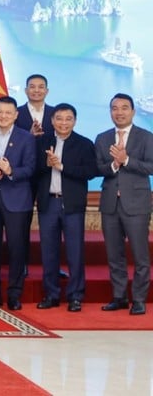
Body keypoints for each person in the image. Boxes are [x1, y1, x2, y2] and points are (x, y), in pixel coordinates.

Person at [34, 103, 99, 312]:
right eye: (59, 118)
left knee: (75, 252)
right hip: (48, 202)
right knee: (49, 251)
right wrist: (47, 163)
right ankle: (51, 294)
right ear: (52, 120)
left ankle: (75, 295)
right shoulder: (41, 141)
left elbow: (90, 171)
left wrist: (61, 166)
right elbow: (32, 169)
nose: (63, 122)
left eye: (68, 119)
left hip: (71, 204)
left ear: (74, 121)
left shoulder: (84, 143)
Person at [94, 93, 153, 316]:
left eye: (124, 108)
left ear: (133, 112)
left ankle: (139, 299)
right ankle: (119, 296)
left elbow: (151, 167)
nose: (119, 112)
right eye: (114, 108)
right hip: (110, 203)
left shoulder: (146, 137)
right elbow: (98, 168)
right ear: (110, 112)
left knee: (140, 255)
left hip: (137, 204)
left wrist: (126, 160)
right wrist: (114, 165)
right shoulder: (102, 138)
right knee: (114, 254)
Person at [0, 95, 36, 310]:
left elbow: (30, 168)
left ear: (16, 115)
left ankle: (14, 294)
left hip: (17, 200)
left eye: (8, 113)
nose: (3, 116)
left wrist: (11, 171)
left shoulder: (26, 138)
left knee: (17, 248)